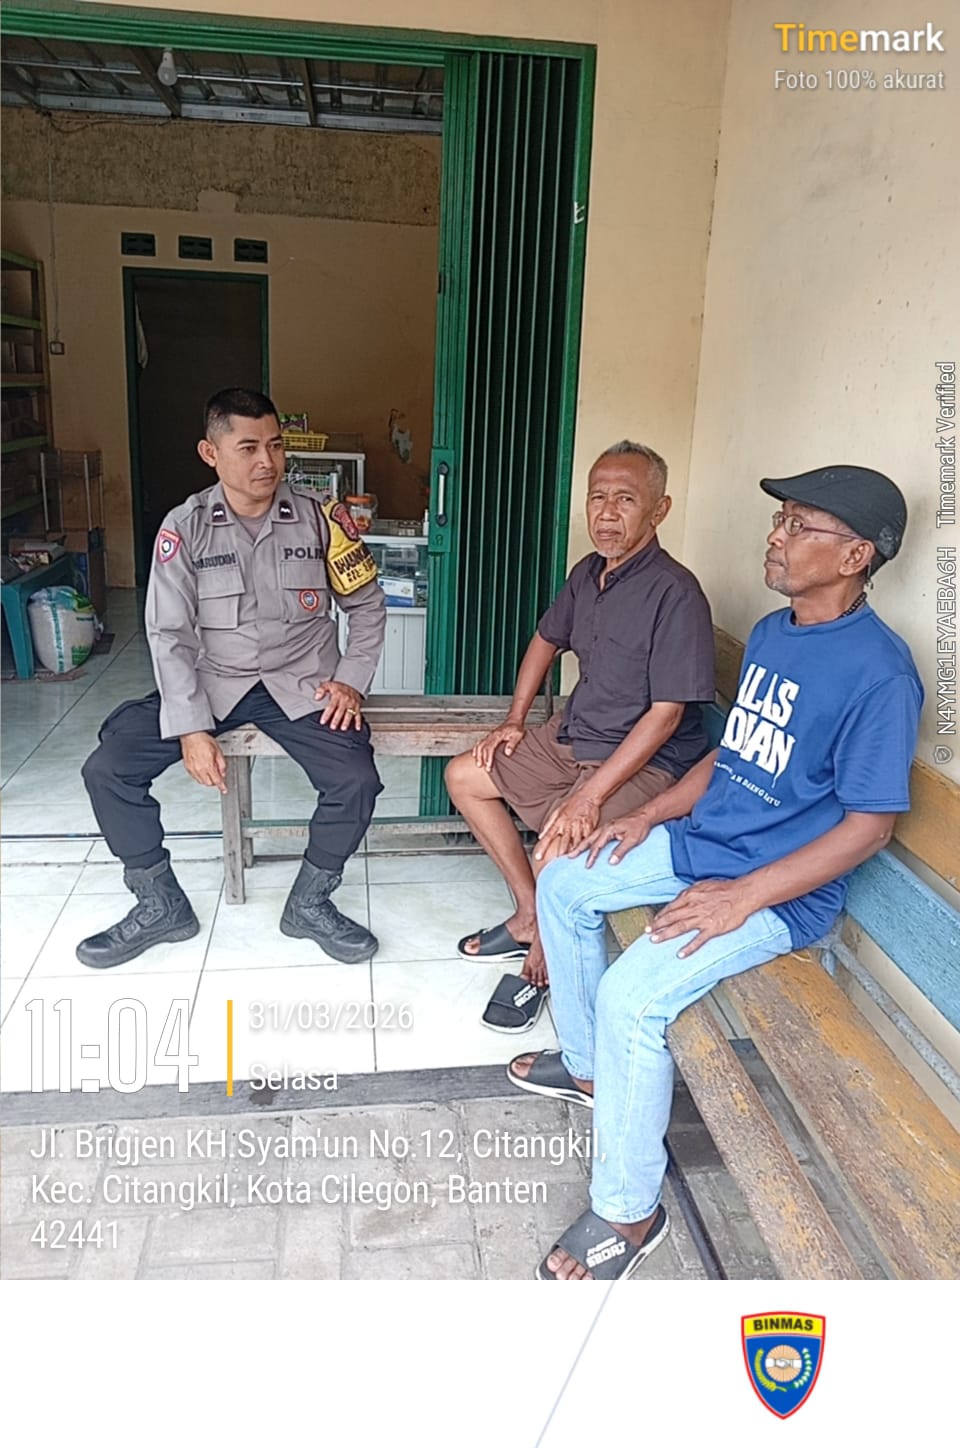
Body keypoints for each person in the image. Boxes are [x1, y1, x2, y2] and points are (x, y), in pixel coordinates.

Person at [509, 464, 922, 1280]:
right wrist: (646, 815)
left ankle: (629, 1212)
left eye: (799, 525)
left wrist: (743, 897)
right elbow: (731, 756)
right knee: (564, 880)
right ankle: (588, 1069)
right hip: (704, 844)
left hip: (778, 893)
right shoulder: (772, 633)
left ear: (855, 557)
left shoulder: (881, 672)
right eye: (781, 520)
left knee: (633, 996)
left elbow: (870, 828)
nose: (776, 536)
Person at [77, 388, 386, 968]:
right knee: (109, 768)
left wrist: (351, 679)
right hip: (214, 685)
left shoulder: (321, 519)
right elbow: (168, 633)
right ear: (210, 452)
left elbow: (367, 607)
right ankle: (159, 903)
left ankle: (311, 903)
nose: (267, 461)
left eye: (275, 445)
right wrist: (191, 727)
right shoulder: (185, 527)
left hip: (303, 685)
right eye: (248, 448)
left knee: (356, 779)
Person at [445, 441, 715, 1032]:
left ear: (660, 510)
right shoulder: (588, 574)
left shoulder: (676, 593)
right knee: (463, 775)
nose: (607, 514)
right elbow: (546, 640)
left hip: (644, 759)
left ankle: (542, 967)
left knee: (557, 849)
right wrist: (515, 719)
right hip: (575, 735)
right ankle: (529, 916)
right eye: (598, 498)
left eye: (625, 500)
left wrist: (588, 798)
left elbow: (667, 715)